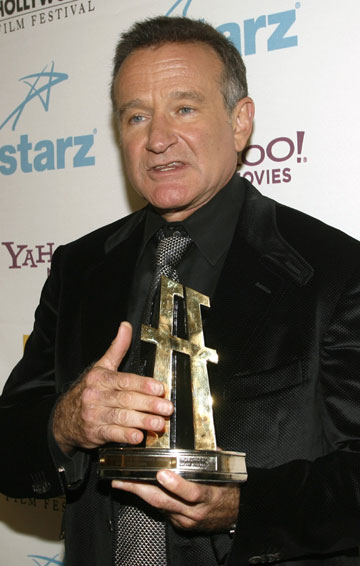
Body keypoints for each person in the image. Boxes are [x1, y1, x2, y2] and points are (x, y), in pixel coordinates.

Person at [1, 15, 360, 566]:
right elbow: (8, 445)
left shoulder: (334, 270)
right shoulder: (79, 267)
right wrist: (65, 422)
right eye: (136, 116)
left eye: (184, 109)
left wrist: (245, 505)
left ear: (240, 123)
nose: (157, 138)